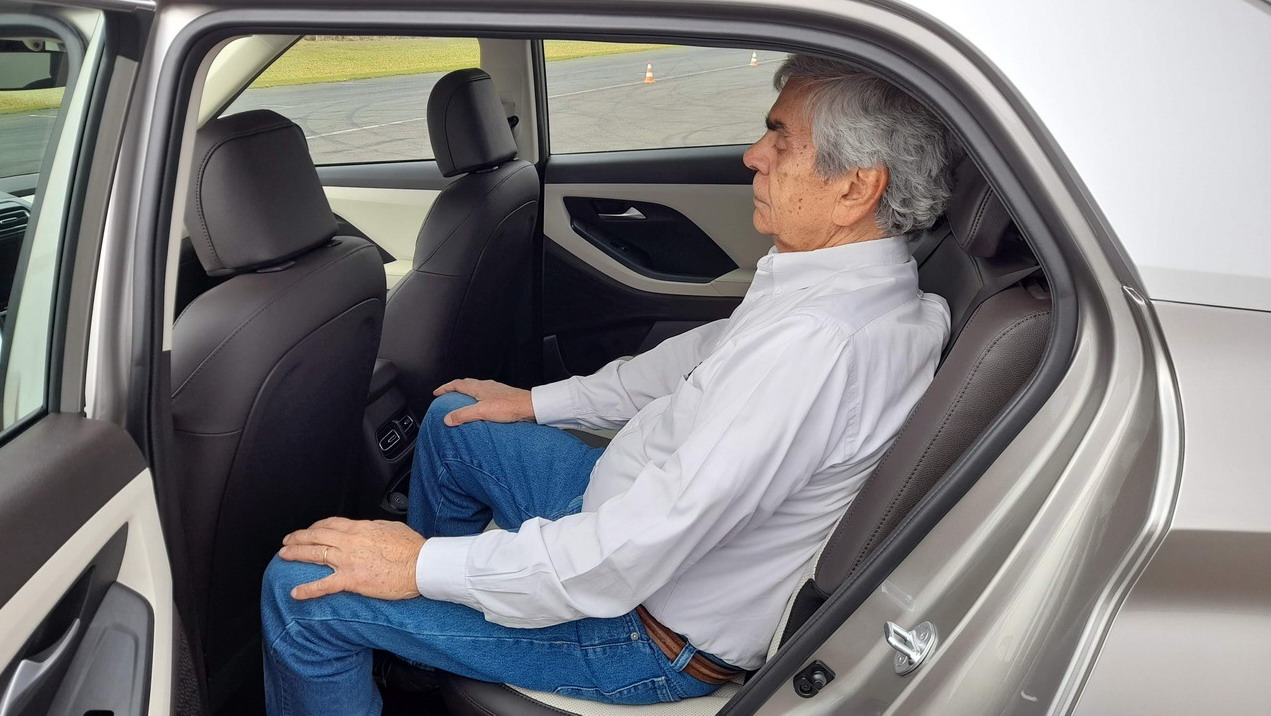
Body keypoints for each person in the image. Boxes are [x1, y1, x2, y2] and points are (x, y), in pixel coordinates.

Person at [260, 54, 955, 715]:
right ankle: (419, 653)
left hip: (646, 630)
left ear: (855, 188)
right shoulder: (857, 292)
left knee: (303, 593)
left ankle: (402, 622)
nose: (752, 155)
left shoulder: (817, 346)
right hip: (624, 521)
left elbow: (634, 550)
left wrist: (422, 567)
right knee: (458, 419)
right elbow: (699, 357)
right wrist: (536, 402)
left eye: (780, 138)